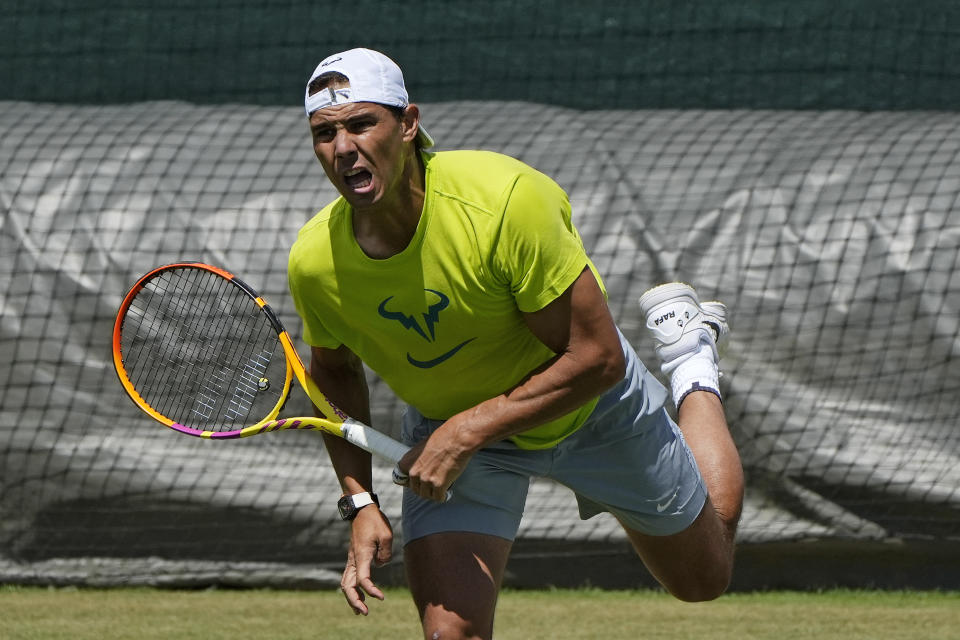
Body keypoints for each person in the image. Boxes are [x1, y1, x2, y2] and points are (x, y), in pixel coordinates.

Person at [288, 47, 744, 640]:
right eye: (324, 133)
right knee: (451, 634)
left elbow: (598, 359)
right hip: (460, 437)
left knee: (703, 578)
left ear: (408, 124)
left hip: (590, 409)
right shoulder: (315, 260)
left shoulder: (506, 201)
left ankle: (691, 365)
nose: (342, 147)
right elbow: (335, 373)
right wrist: (360, 502)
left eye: (361, 123)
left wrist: (469, 428)